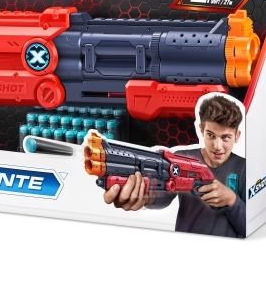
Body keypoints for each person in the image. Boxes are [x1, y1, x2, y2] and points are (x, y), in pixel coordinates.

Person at [103, 95, 246, 238]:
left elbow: (249, 227)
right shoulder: (181, 158)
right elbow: (163, 194)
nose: (217, 146)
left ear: (237, 136)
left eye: (225, 137)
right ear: (202, 129)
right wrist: (144, 196)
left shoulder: (244, 167)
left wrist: (232, 200)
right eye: (211, 135)